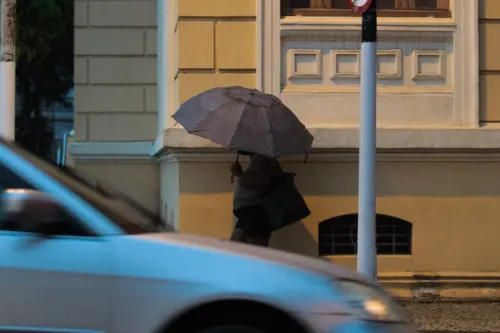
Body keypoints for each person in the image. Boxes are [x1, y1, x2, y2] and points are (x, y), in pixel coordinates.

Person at [230, 151, 281, 247]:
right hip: (248, 215)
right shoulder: (258, 158)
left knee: (252, 256)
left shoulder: (264, 159)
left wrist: (240, 174)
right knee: (235, 252)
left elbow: (264, 181)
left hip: (256, 216)